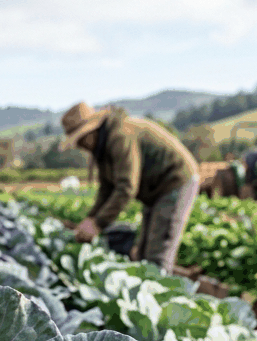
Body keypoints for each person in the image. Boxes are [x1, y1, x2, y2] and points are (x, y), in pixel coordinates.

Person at [61, 101, 200, 272]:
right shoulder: (102, 147)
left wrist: (98, 223)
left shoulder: (119, 136)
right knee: (142, 254)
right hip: (154, 190)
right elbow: (106, 189)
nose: (80, 146)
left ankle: (159, 291)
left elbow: (126, 187)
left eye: (81, 139)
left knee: (157, 255)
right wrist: (91, 218)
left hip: (175, 181)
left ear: (92, 130)